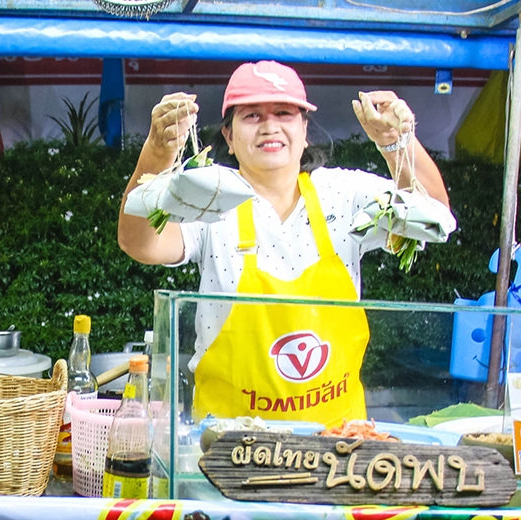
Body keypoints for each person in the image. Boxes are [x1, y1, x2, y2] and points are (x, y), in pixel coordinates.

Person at [117, 60, 456, 426]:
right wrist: (157, 152)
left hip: (336, 446)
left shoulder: (345, 195)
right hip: (226, 447)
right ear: (228, 136)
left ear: (304, 129)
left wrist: (396, 142)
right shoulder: (210, 196)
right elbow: (139, 243)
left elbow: (435, 217)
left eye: (283, 112)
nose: (270, 126)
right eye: (252, 116)